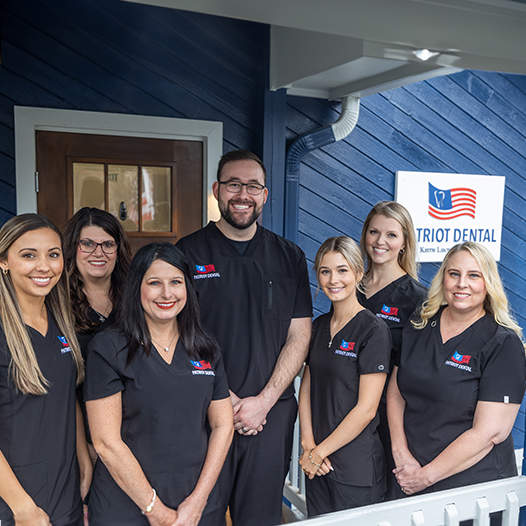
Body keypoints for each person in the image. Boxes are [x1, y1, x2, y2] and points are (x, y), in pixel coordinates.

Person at [176, 149, 313, 526]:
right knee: (200, 513)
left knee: (260, 517)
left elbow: (300, 335)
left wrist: (265, 400)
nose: (243, 194)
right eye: (234, 184)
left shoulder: (289, 257)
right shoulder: (186, 254)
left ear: (265, 195)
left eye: (253, 186)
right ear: (217, 190)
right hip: (203, 412)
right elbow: (177, 333)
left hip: (270, 417)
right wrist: (229, 401)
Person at [84, 243, 234, 526]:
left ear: (187, 288)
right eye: (154, 283)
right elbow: (106, 442)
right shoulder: (108, 348)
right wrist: (155, 510)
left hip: (198, 505)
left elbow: (223, 426)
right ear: (136, 288)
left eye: (176, 282)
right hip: (127, 507)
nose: (167, 293)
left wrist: (198, 501)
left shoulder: (206, 349)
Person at [387, 242, 526, 500]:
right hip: (409, 475)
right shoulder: (420, 323)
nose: (462, 283)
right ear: (444, 279)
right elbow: (396, 391)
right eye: (454, 274)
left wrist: (426, 476)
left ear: (488, 283)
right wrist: (401, 453)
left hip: (472, 492)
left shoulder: (503, 343)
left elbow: (490, 433)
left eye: (474, 275)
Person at [0, 213, 91, 526]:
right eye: (28, 255)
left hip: (65, 494)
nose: (44, 266)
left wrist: (83, 460)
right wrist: (22, 508)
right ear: (4, 261)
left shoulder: (61, 322)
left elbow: (66, 396)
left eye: (53, 255)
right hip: (17, 506)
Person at [298, 236, 390, 516]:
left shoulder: (373, 331)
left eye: (342, 270)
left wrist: (319, 452)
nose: (333, 279)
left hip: (355, 469)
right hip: (318, 464)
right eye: (325, 271)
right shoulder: (319, 325)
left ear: (358, 274)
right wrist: (307, 443)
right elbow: (307, 385)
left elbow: (366, 409)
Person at [357, 201, 427, 495]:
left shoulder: (418, 298)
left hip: (388, 415)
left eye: (391, 235)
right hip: (343, 406)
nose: (380, 242)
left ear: (404, 243)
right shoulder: (350, 285)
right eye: (374, 232)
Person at [63, 207, 132, 463]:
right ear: (73, 247)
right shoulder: (56, 304)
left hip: (132, 432)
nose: (98, 253)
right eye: (88, 243)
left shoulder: (135, 299)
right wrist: (85, 448)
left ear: (118, 249)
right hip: (76, 435)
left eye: (107, 244)